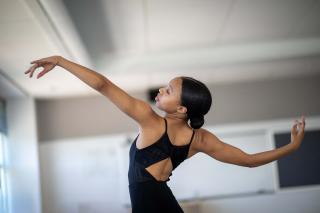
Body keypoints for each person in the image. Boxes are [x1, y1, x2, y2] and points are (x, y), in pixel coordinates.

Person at [25, 56, 306, 213]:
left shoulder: (149, 121)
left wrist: (61, 61)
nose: (161, 90)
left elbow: (101, 85)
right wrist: (291, 148)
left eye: (168, 90)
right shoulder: (200, 139)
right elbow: (249, 160)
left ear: (181, 108)